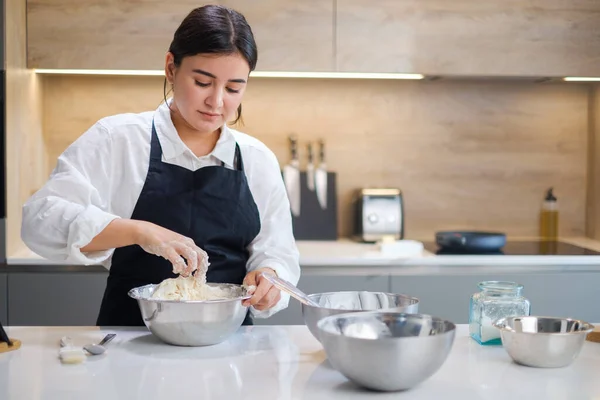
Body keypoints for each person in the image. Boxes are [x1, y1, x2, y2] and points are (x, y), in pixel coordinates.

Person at [20, 5, 300, 326]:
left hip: (230, 344)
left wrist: (269, 275)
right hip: (129, 337)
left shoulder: (257, 158)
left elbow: (277, 249)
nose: (217, 101)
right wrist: (139, 231)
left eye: (234, 88)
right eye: (203, 82)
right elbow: (40, 221)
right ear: (171, 68)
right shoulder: (117, 139)